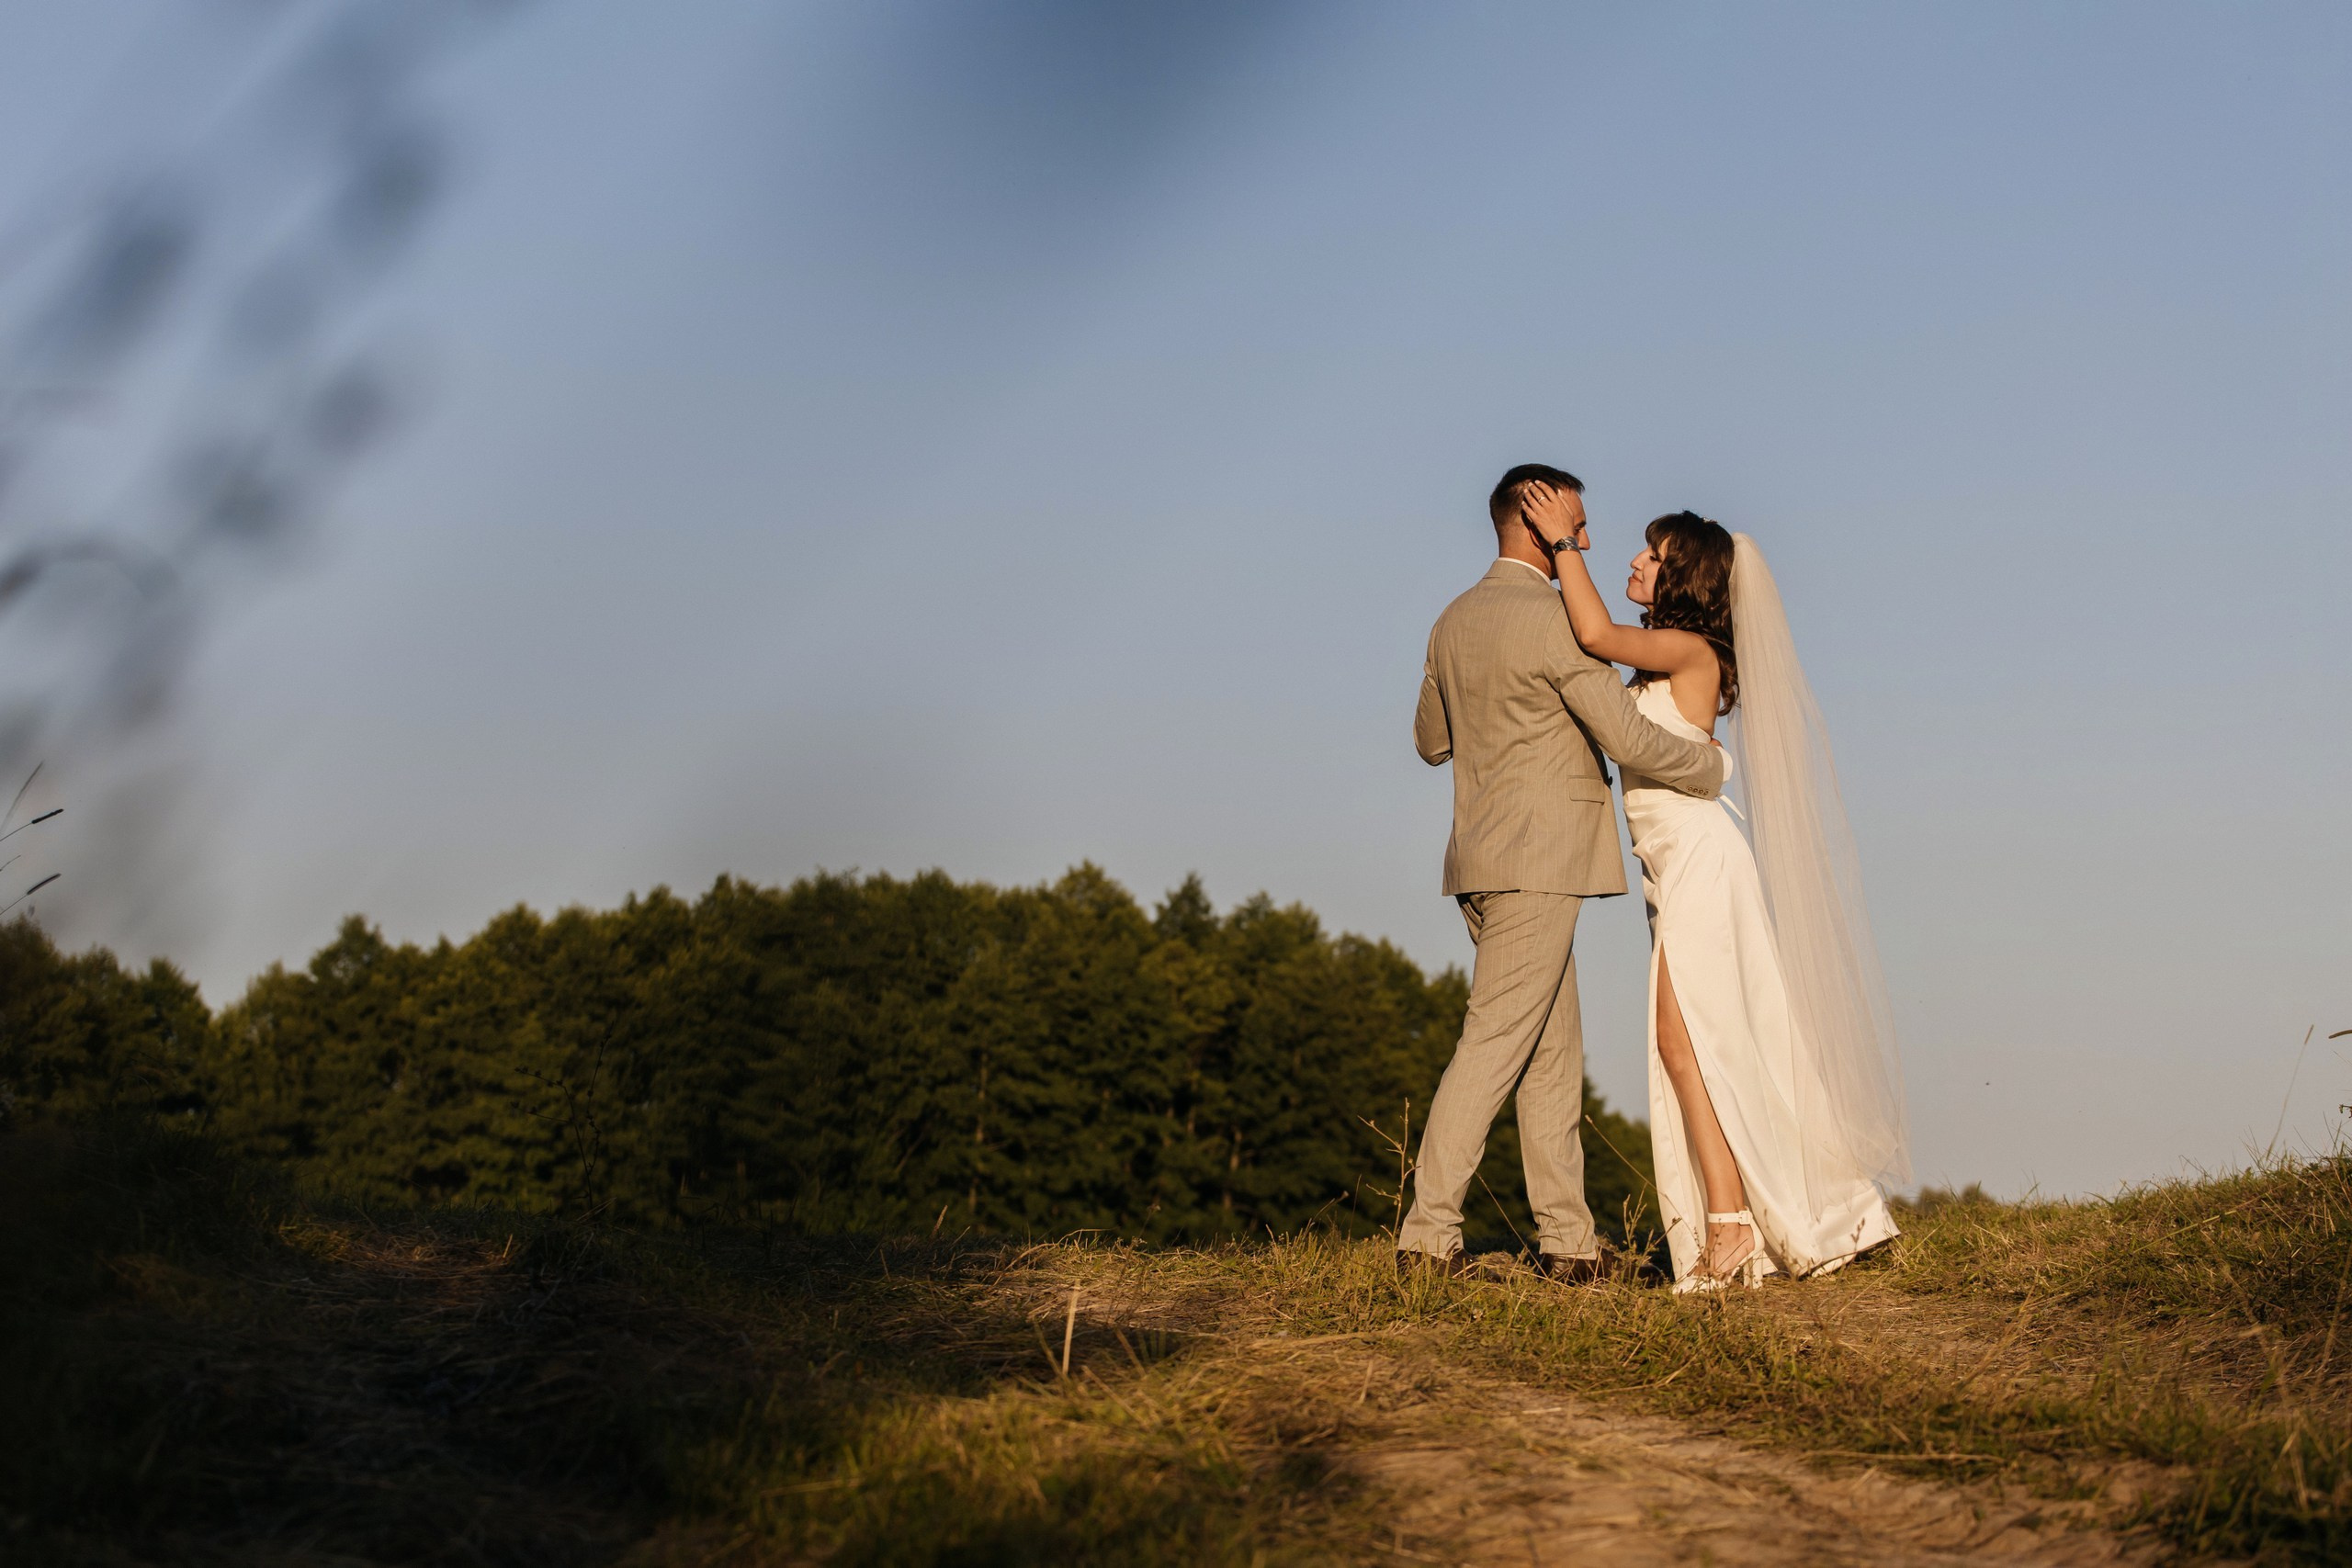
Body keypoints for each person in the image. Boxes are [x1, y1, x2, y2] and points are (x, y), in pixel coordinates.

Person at [1521, 486, 1909, 1290]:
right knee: (1704, 1045)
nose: (1632, 558)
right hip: (1677, 869)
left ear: (1682, 579)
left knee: (1683, 1042)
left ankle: (1736, 1227)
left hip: (1703, 860)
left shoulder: (1690, 651)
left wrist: (1562, 544)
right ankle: (1743, 1222)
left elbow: (1590, 629)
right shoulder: (1656, 659)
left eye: (1652, 554)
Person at [1401, 464, 1729, 1281]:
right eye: (1574, 527)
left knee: (1552, 1055)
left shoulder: (1450, 620)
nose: (1583, 541)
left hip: (1477, 860)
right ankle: (1426, 1237)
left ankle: (1571, 1249)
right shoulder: (1554, 620)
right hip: (1540, 862)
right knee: (1493, 1045)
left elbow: (1431, 740)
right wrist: (1709, 767)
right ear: (1535, 520)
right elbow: (1626, 735)